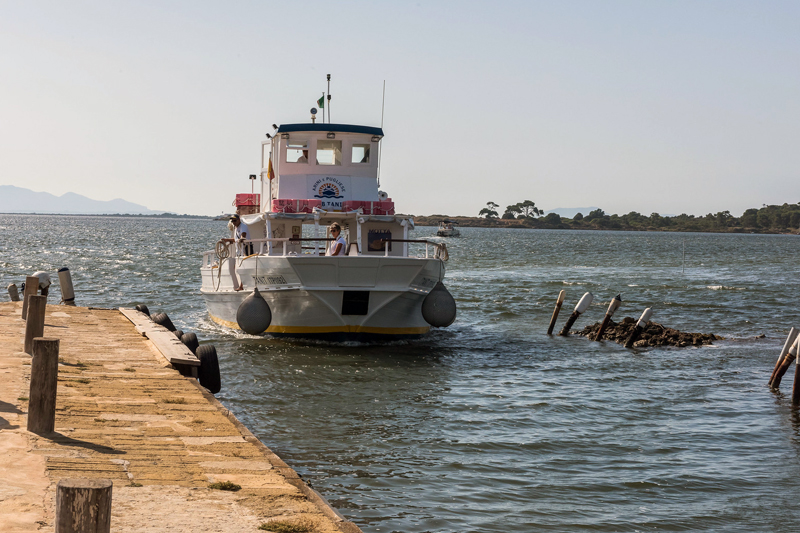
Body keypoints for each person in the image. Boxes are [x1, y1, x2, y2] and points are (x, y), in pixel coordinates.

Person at [223, 214, 251, 290]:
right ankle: (242, 285)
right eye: (232, 221)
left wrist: (242, 238)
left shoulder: (243, 226)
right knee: (238, 268)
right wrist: (227, 240)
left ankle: (242, 286)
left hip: (245, 249)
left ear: (239, 220)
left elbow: (243, 235)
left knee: (243, 267)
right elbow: (236, 239)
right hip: (239, 250)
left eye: (235, 220)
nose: (233, 222)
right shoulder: (236, 228)